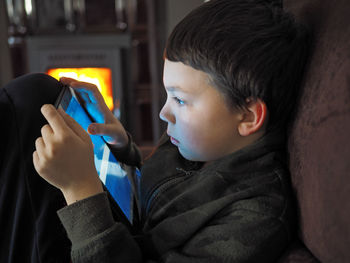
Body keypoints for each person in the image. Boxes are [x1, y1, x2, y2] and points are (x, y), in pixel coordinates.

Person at [31, 0, 310, 262]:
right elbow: (156, 199)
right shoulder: (199, 142)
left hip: (94, 240)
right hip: (111, 225)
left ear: (248, 116)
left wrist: (79, 189)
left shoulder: (254, 217)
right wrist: (122, 148)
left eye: (180, 100)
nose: (163, 113)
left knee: (28, 102)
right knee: (35, 96)